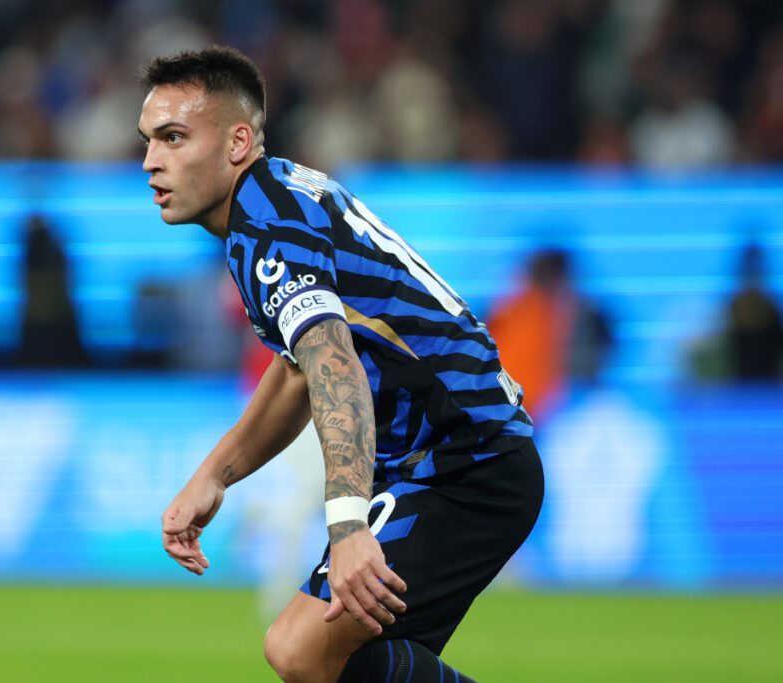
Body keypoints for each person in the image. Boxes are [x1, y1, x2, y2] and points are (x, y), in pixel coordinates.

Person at [140, 46, 544, 683]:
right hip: (453, 457)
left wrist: (349, 525)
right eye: (148, 141)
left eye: (173, 138)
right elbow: (300, 367)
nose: (151, 161)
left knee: (302, 649)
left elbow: (336, 365)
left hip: (465, 462)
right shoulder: (274, 203)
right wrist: (216, 474)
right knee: (337, 660)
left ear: (237, 140)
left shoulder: (268, 230)